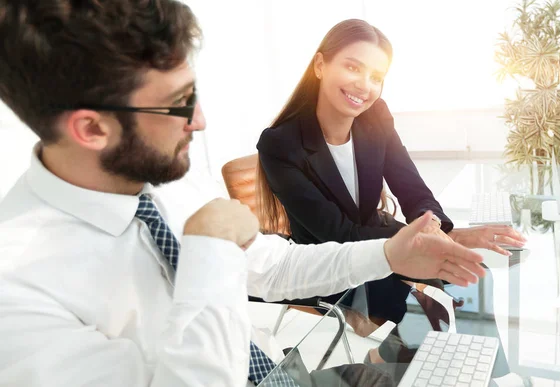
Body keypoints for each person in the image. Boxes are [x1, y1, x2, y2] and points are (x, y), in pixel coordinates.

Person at [0, 2, 486, 386]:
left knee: (455, 366)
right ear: (91, 128)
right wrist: (211, 254)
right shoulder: (18, 295)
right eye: (177, 105)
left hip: (275, 372)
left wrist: (389, 251)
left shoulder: (161, 179)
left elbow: (278, 267)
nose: (201, 121)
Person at [256, 19, 527, 365]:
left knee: (466, 282)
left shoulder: (375, 116)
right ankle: (385, 363)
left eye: (376, 76)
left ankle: (475, 369)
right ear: (321, 66)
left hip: (381, 241)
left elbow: (411, 187)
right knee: (438, 286)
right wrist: (425, 241)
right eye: (352, 67)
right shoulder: (280, 145)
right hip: (330, 266)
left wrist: (443, 229)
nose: (364, 85)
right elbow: (340, 234)